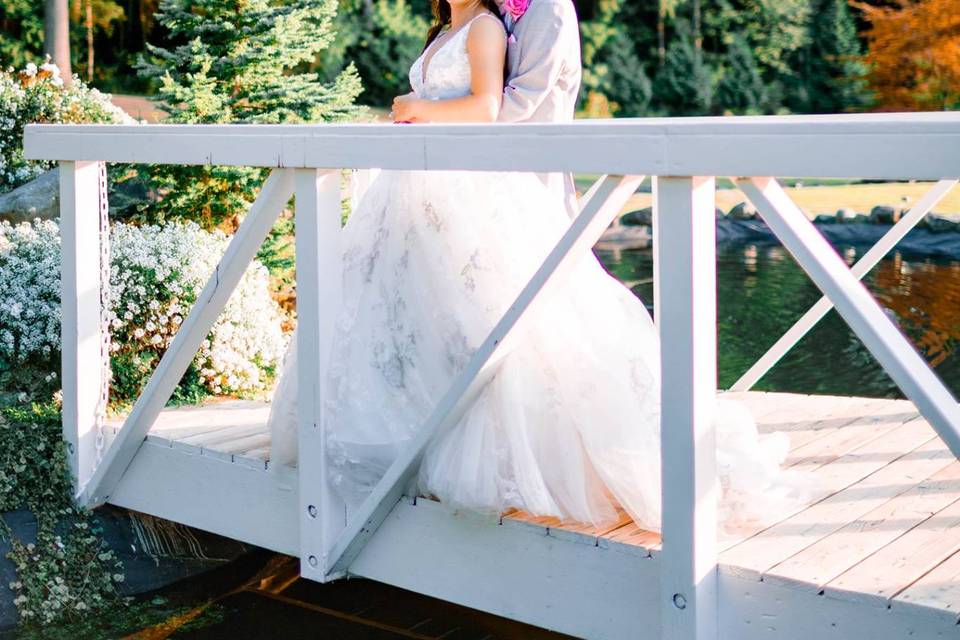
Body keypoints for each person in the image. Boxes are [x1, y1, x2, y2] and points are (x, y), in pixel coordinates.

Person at [268, 0, 794, 530]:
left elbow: (508, 107)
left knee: (521, 326)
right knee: (433, 320)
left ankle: (539, 450)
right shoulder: (457, 27)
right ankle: (409, 427)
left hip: (504, 187)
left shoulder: (534, 16)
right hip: (430, 193)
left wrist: (418, 112)